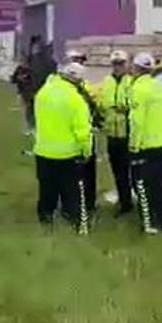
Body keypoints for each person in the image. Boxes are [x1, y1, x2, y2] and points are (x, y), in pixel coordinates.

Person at [33, 61, 94, 234]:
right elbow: (83, 131)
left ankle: (45, 219)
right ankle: (74, 221)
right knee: (71, 191)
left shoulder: (43, 93)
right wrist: (86, 151)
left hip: (43, 151)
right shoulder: (75, 100)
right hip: (68, 153)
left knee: (47, 189)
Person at [128, 52, 162, 234]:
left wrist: (134, 146)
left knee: (142, 185)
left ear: (135, 68)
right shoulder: (161, 87)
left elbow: (137, 121)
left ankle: (149, 223)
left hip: (146, 145)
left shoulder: (138, 90)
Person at [63, 50, 102, 216]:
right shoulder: (64, 87)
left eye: (81, 61)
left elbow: (94, 104)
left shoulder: (85, 85)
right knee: (71, 173)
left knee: (88, 171)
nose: (79, 63)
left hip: (86, 132)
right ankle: (72, 204)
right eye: (75, 60)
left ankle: (89, 203)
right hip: (69, 134)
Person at [96, 51, 135, 216]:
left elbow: (137, 104)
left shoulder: (132, 82)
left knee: (134, 171)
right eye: (115, 64)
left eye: (121, 63)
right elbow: (101, 103)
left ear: (127, 64)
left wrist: (125, 109)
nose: (118, 67)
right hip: (112, 134)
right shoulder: (106, 82)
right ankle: (125, 203)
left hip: (129, 134)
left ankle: (141, 201)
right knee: (118, 172)